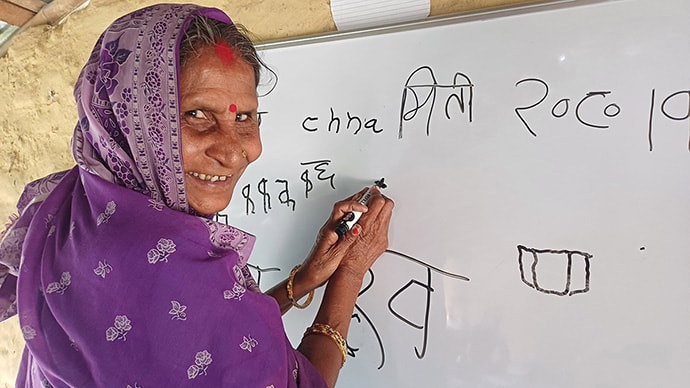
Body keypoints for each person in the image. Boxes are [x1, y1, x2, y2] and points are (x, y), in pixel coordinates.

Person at [0, 4, 394, 387]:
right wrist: (350, 273)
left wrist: (303, 280)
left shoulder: (76, 211)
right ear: (130, 120)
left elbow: (200, 336)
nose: (232, 151)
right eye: (196, 114)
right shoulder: (158, 260)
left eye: (244, 117)